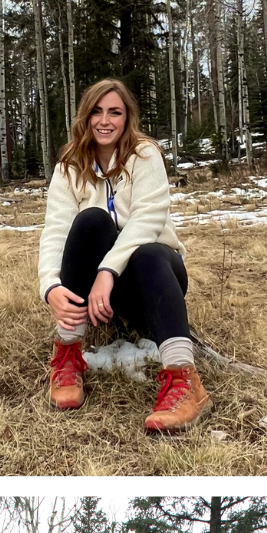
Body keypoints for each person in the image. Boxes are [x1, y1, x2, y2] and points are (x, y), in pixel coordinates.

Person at [39, 78, 211, 433]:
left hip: (156, 278)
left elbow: (148, 219)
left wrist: (107, 270)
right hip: (104, 297)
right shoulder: (68, 167)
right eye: (96, 112)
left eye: (114, 112)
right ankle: (68, 355)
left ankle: (184, 380)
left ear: (127, 117)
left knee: (148, 251)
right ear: (84, 119)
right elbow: (56, 229)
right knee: (90, 221)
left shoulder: (145, 155)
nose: (105, 121)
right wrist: (50, 286)